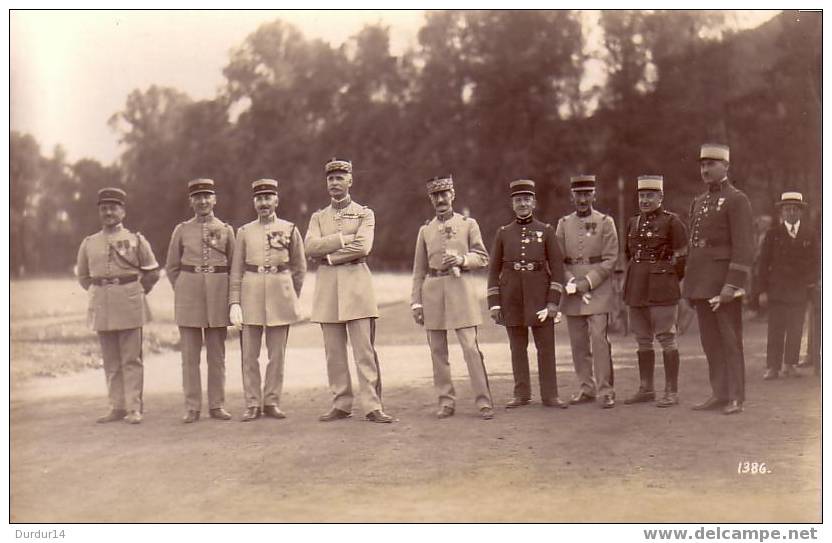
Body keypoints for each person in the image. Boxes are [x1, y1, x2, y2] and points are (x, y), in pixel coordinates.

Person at [304, 158, 394, 423]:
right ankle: (341, 403)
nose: (334, 183)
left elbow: (364, 247)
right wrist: (342, 239)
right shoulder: (318, 217)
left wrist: (330, 256)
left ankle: (372, 405)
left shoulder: (365, 213)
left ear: (350, 180)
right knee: (334, 352)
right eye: (330, 179)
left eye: (340, 178)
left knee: (364, 351)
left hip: (357, 287)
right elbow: (310, 247)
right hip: (328, 291)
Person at [411, 175, 495, 420]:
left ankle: (483, 401)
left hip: (461, 288)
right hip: (433, 290)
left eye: (444, 194)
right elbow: (419, 270)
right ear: (430, 199)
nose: (440, 199)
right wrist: (416, 301)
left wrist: (462, 260)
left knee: (470, 348)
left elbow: (483, 257)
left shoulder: (469, 224)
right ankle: (446, 401)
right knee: (437, 350)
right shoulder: (425, 230)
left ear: (453, 195)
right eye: (435, 196)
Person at [76, 187, 160, 424]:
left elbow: (152, 272)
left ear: (123, 211)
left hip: (130, 302)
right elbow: (83, 277)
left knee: (131, 359)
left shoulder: (136, 240)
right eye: (103, 208)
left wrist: (135, 291)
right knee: (111, 360)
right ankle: (117, 406)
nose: (108, 212)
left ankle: (134, 407)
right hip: (102, 305)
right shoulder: (89, 243)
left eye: (113, 208)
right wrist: (103, 292)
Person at [684, 143, 753, 415]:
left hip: (724, 284)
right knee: (710, 342)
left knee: (730, 340)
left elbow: (744, 247)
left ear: (726, 166)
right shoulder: (699, 202)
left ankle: (736, 396)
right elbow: (695, 247)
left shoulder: (738, 200)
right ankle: (719, 392)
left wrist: (731, 285)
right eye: (702, 165)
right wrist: (690, 286)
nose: (705, 169)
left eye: (711, 164)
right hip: (702, 283)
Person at [229, 179, 306, 421]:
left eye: (267, 198)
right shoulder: (243, 232)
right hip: (250, 293)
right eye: (259, 198)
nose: (263, 203)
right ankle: (252, 403)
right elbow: (236, 270)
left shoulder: (290, 228)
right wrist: (234, 302)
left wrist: (289, 293)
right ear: (254, 202)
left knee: (277, 355)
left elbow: (299, 267)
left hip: (279, 295)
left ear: (276, 200)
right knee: (249, 354)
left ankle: (272, 401)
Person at [487, 179, 568, 409]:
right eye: (518, 200)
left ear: (534, 202)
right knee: (517, 348)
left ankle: (550, 395)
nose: (522, 203)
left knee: (545, 347)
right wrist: (494, 303)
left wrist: (553, 302)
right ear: (512, 204)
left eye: (526, 199)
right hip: (511, 297)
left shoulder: (546, 231)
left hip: (540, 298)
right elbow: (493, 270)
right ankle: (522, 394)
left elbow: (558, 269)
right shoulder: (503, 233)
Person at [165, 179, 235, 423]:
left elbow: (233, 266)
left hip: (218, 295)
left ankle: (217, 405)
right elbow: (172, 267)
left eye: (207, 196)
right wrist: (185, 288)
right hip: (189, 297)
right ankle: (192, 407)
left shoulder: (226, 229)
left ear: (215, 199)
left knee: (217, 355)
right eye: (198, 197)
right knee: (189, 356)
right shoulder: (181, 230)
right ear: (191, 201)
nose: (203, 201)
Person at [621, 175, 688, 407]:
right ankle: (646, 388)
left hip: (662, 286)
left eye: (650, 195)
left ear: (661, 197)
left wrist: (669, 278)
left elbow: (682, 255)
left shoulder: (672, 222)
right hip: (636, 286)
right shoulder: (632, 222)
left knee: (666, 338)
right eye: (642, 195)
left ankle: (671, 391)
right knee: (642, 339)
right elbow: (628, 254)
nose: (645, 200)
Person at [555, 175, 619, 408]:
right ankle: (586, 387)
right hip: (572, 290)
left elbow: (611, 258)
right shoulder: (563, 224)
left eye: (587, 194)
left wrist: (588, 282)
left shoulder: (605, 222)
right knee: (578, 342)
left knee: (599, 340)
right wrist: (571, 281)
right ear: (571, 197)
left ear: (594, 195)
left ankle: (606, 390)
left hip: (598, 288)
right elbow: (557, 259)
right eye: (578, 194)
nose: (583, 199)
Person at [757, 192, 818, 380]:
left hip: (799, 290)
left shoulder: (810, 234)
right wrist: (762, 291)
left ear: (800, 212)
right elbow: (763, 264)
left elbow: (817, 262)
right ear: (782, 212)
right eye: (787, 209)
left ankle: (790, 364)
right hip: (777, 290)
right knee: (775, 329)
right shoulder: (773, 234)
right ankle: (772, 366)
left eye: (794, 209)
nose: (791, 213)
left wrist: (810, 281)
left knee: (795, 328)